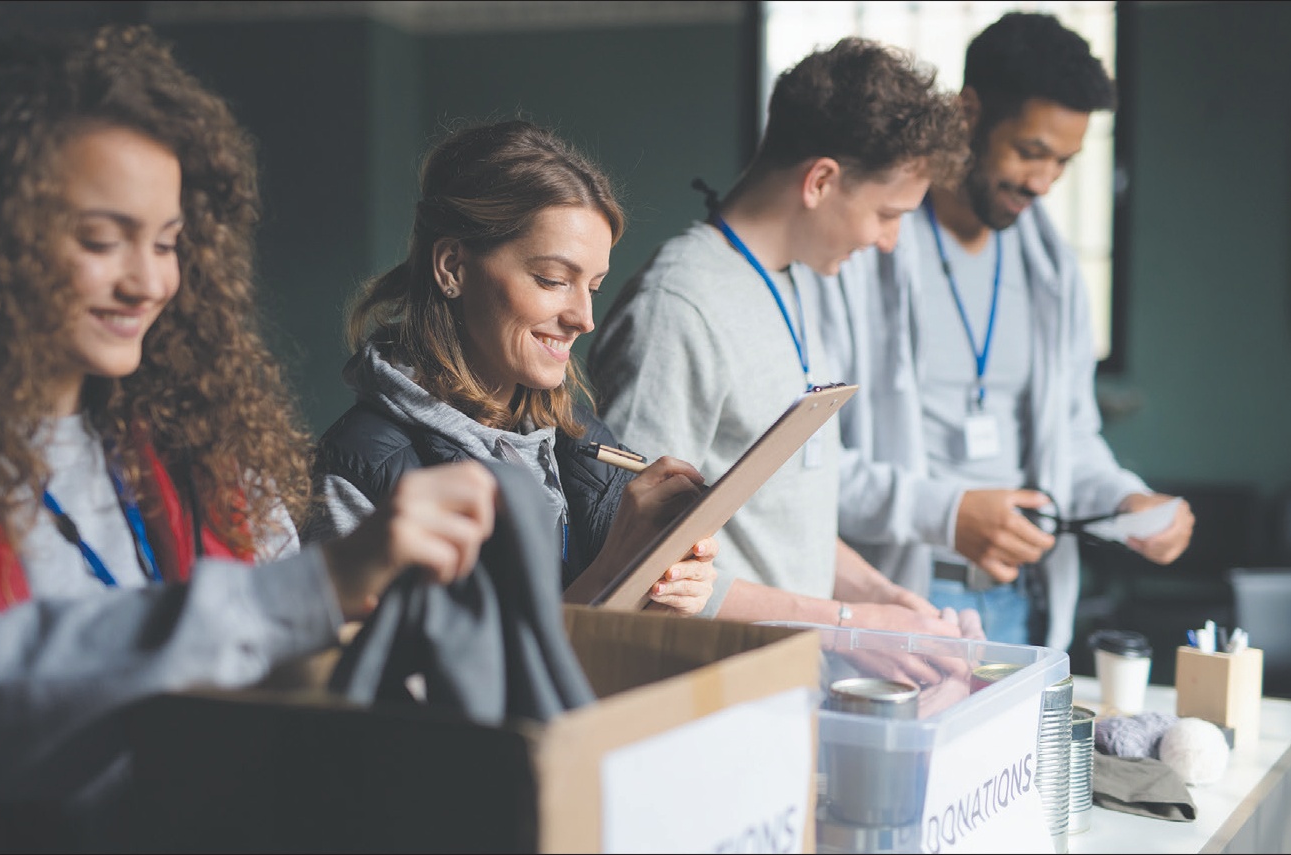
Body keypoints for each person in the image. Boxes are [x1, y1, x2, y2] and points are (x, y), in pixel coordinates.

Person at [0, 25, 504, 848]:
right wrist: (318, 589)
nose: (146, 280)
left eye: (168, 243)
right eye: (101, 240)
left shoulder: (200, 447)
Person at [804, 12, 1195, 649]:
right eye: (1030, 151)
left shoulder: (1054, 272)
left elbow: (1073, 436)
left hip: (1025, 602)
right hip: (898, 598)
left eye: (1063, 163)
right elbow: (810, 464)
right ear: (968, 111)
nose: (1042, 181)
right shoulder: (862, 248)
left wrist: (1126, 502)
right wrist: (948, 513)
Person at [587, 37, 974, 647]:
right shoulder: (677, 306)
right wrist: (855, 623)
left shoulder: (792, 280)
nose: (890, 241)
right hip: (704, 692)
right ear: (820, 180)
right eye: (888, 214)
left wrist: (878, 595)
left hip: (780, 683)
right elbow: (644, 559)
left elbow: (778, 510)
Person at [301, 119, 718, 617]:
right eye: (552, 280)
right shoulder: (355, 477)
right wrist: (613, 575)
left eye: (594, 287)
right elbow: (410, 689)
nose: (584, 318)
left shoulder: (581, 440)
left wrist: (660, 597)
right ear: (453, 266)